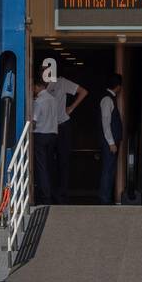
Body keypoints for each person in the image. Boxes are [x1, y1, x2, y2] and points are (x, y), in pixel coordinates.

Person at [48, 71, 87, 203]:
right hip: (47, 126)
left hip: (62, 124)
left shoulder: (61, 82)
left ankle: (62, 194)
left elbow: (83, 92)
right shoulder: (39, 84)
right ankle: (50, 193)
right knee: (48, 161)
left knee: (63, 161)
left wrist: (71, 108)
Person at [31, 77, 60, 205]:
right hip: (53, 134)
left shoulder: (39, 101)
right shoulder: (53, 100)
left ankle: (45, 195)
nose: (32, 90)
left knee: (41, 166)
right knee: (50, 165)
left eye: (33, 87)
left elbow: (34, 120)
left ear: (38, 87)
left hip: (40, 135)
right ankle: (53, 192)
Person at [98, 74, 124, 205]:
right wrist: (111, 142)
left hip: (110, 141)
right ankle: (104, 198)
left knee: (109, 168)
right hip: (109, 142)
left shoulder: (108, 99)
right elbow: (105, 123)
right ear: (118, 87)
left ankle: (106, 197)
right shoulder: (107, 100)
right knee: (108, 169)